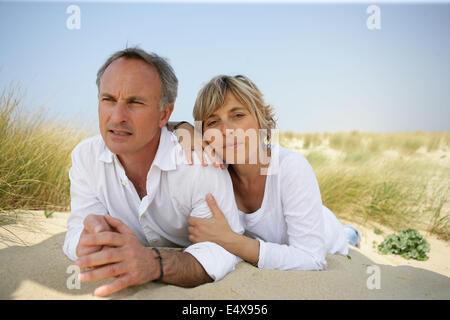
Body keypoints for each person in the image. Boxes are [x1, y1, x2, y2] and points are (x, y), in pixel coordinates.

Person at [62, 48, 244, 297]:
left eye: (135, 102)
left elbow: (224, 249)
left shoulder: (200, 163)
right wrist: (86, 242)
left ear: (164, 114)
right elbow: (73, 233)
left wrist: (155, 264)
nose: (117, 117)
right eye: (108, 99)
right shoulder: (86, 158)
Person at [171, 75, 359, 271]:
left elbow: (312, 258)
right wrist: (181, 127)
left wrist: (230, 240)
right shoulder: (215, 174)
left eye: (238, 115)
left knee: (348, 236)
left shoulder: (290, 167)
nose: (225, 130)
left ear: (261, 119)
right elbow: (156, 131)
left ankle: (352, 233)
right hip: (281, 244)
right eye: (213, 122)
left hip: (330, 238)